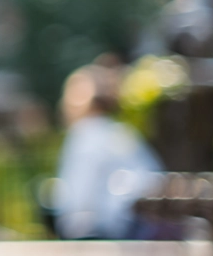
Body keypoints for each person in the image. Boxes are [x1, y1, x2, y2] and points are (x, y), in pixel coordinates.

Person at [53, 60, 162, 240]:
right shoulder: (123, 133)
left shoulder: (85, 134)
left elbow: (78, 198)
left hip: (104, 233)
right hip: (137, 230)